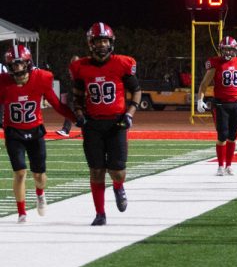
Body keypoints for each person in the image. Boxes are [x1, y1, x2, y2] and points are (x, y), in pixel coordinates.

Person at [69, 23, 142, 226]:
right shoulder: (80, 67)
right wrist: (79, 113)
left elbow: (136, 90)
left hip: (116, 123)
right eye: (98, 41)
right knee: (96, 170)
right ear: (91, 44)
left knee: (117, 171)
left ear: (111, 42)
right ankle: (100, 213)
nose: (102, 45)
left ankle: (118, 186)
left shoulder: (122, 63)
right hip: (92, 125)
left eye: (105, 40)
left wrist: (130, 113)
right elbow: (77, 96)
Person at [1, 45, 76, 222]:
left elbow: (57, 105)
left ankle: (40, 194)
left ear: (28, 63)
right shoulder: (3, 82)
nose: (17, 68)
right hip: (13, 132)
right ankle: (21, 213)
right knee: (19, 172)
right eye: (14, 65)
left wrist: (75, 119)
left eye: (20, 64)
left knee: (39, 175)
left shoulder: (41, 78)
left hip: (35, 131)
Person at [196, 36, 237, 175]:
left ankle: (229, 165)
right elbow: (205, 83)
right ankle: (220, 166)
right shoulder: (215, 63)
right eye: (225, 49)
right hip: (220, 104)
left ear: (235, 49)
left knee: (233, 135)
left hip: (236, 103)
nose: (228, 53)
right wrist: (199, 99)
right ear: (220, 50)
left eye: (230, 49)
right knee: (222, 135)